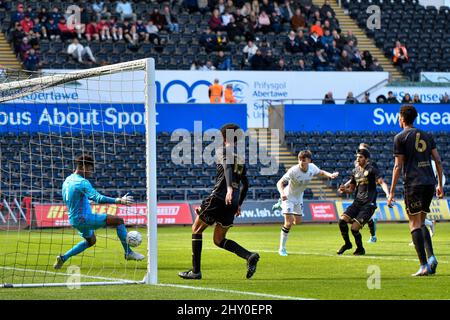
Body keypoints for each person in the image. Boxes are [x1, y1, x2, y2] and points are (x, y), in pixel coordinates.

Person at [178, 124, 259, 279]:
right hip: (233, 201)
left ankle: (196, 272)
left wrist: (228, 188)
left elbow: (228, 168)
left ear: (223, 137)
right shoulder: (240, 157)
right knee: (218, 239)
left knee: (196, 229)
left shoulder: (223, 151)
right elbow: (246, 184)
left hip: (220, 196)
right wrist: (239, 203)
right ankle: (249, 256)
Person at [53, 155, 144, 269]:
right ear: (83, 166)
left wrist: (83, 202)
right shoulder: (82, 182)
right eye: (90, 169)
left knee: (91, 241)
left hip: (73, 219)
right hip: (84, 218)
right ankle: (128, 252)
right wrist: (119, 200)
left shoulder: (68, 180)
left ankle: (63, 258)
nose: (90, 173)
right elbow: (98, 198)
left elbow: (70, 198)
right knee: (119, 221)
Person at [387, 105, 444, 276]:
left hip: (413, 184)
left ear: (402, 119)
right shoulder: (427, 135)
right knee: (421, 221)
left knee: (414, 224)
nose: (398, 120)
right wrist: (440, 185)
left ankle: (423, 265)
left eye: (398, 117)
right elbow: (438, 161)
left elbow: (398, 166)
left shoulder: (400, 137)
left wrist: (391, 192)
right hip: (429, 183)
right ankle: (431, 257)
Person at [275, 150, 339, 256]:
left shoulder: (312, 167)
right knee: (288, 223)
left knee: (298, 222)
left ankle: (279, 204)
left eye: (303, 160)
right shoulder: (293, 171)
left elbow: (321, 172)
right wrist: (282, 193)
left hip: (299, 198)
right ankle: (282, 248)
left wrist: (330, 175)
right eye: (300, 159)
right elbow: (279, 182)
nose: (301, 162)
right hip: (288, 197)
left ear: (309, 160)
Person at [337, 149, 390, 255]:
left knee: (354, 228)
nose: (358, 159)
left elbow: (382, 182)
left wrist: (388, 194)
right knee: (342, 221)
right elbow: (351, 189)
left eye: (360, 157)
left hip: (368, 204)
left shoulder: (372, 170)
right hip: (357, 202)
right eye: (357, 157)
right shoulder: (355, 171)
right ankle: (347, 244)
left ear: (366, 159)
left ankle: (360, 249)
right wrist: (344, 190)